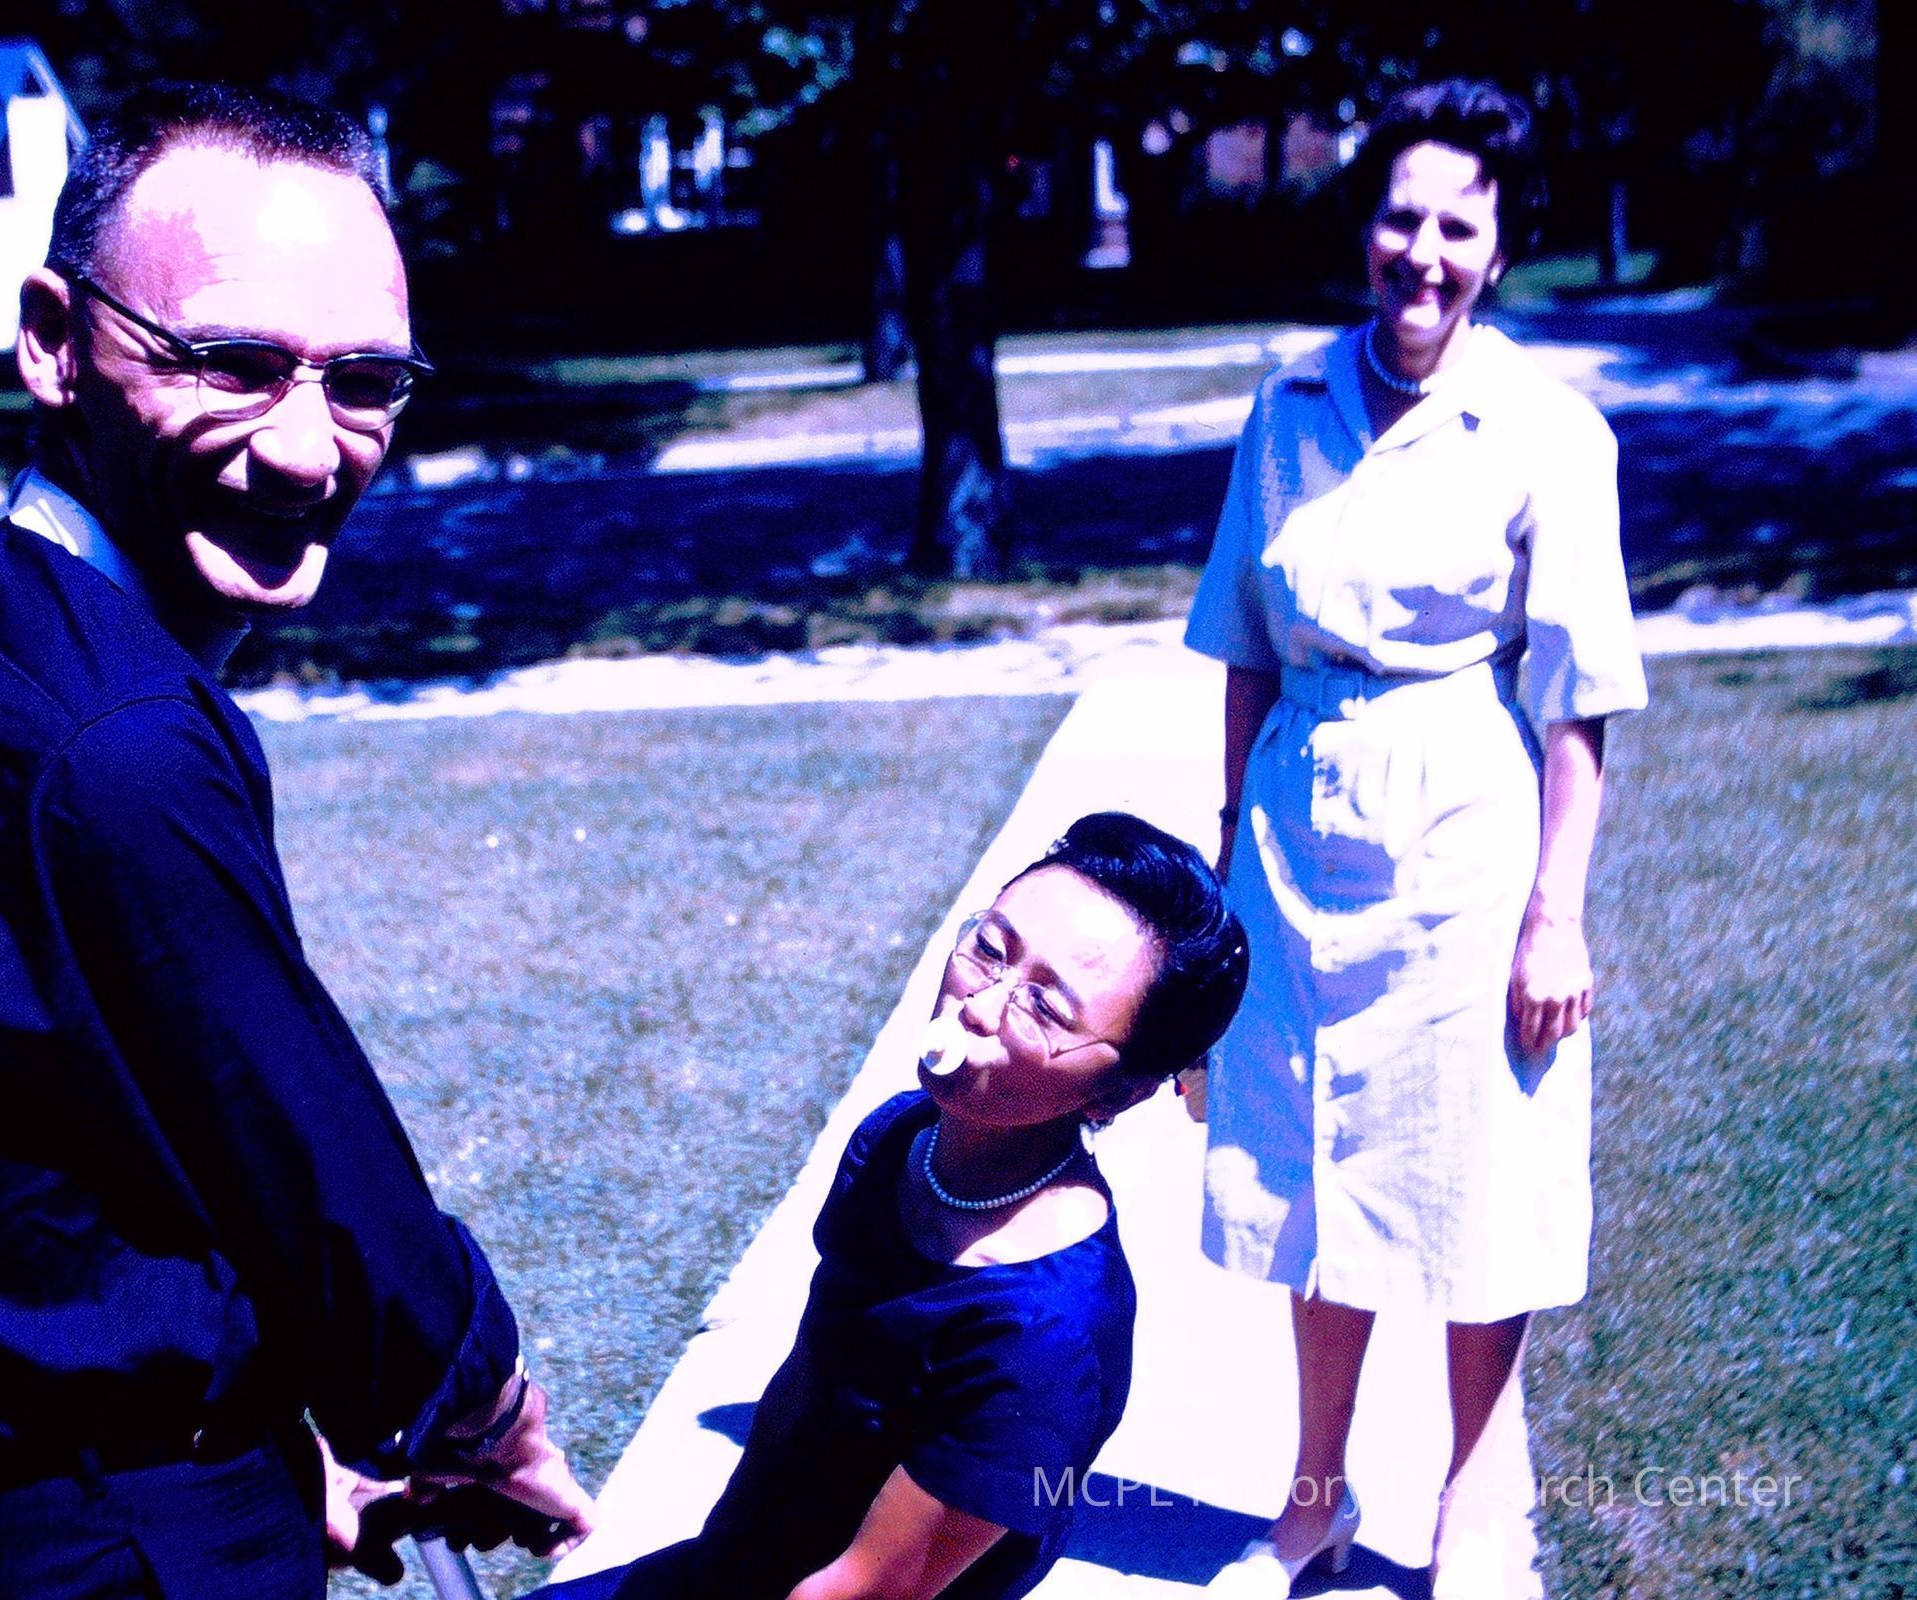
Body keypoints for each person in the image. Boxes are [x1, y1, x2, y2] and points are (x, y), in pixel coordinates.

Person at [0, 82, 592, 1598]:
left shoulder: (0, 629)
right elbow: (312, 1164)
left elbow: (107, 1146)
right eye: (232, 364)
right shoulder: (118, 740)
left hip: (12, 1513)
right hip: (118, 1545)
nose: (309, 452)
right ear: (51, 341)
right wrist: (482, 1408)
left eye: (366, 382)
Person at [1182, 80, 1648, 1600]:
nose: (1424, 254)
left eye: (1458, 226)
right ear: (1364, 229)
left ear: (1500, 250)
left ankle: (1475, 1499)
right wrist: (1221, 876)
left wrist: (1555, 913)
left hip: (1464, 829)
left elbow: (1579, 700)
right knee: (1313, 1163)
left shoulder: (1549, 431)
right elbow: (1244, 653)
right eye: (1400, 218)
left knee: (1470, 1170)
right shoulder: (1285, 407)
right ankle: (1315, 1494)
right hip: (1292, 830)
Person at [531, 813, 1250, 1600]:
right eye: (989, 948)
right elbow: (804, 1383)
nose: (981, 1006)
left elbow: (864, 1591)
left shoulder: (1042, 1341)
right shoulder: (901, 1138)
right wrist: (718, 1560)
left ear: (1120, 1092)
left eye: (1045, 1008)